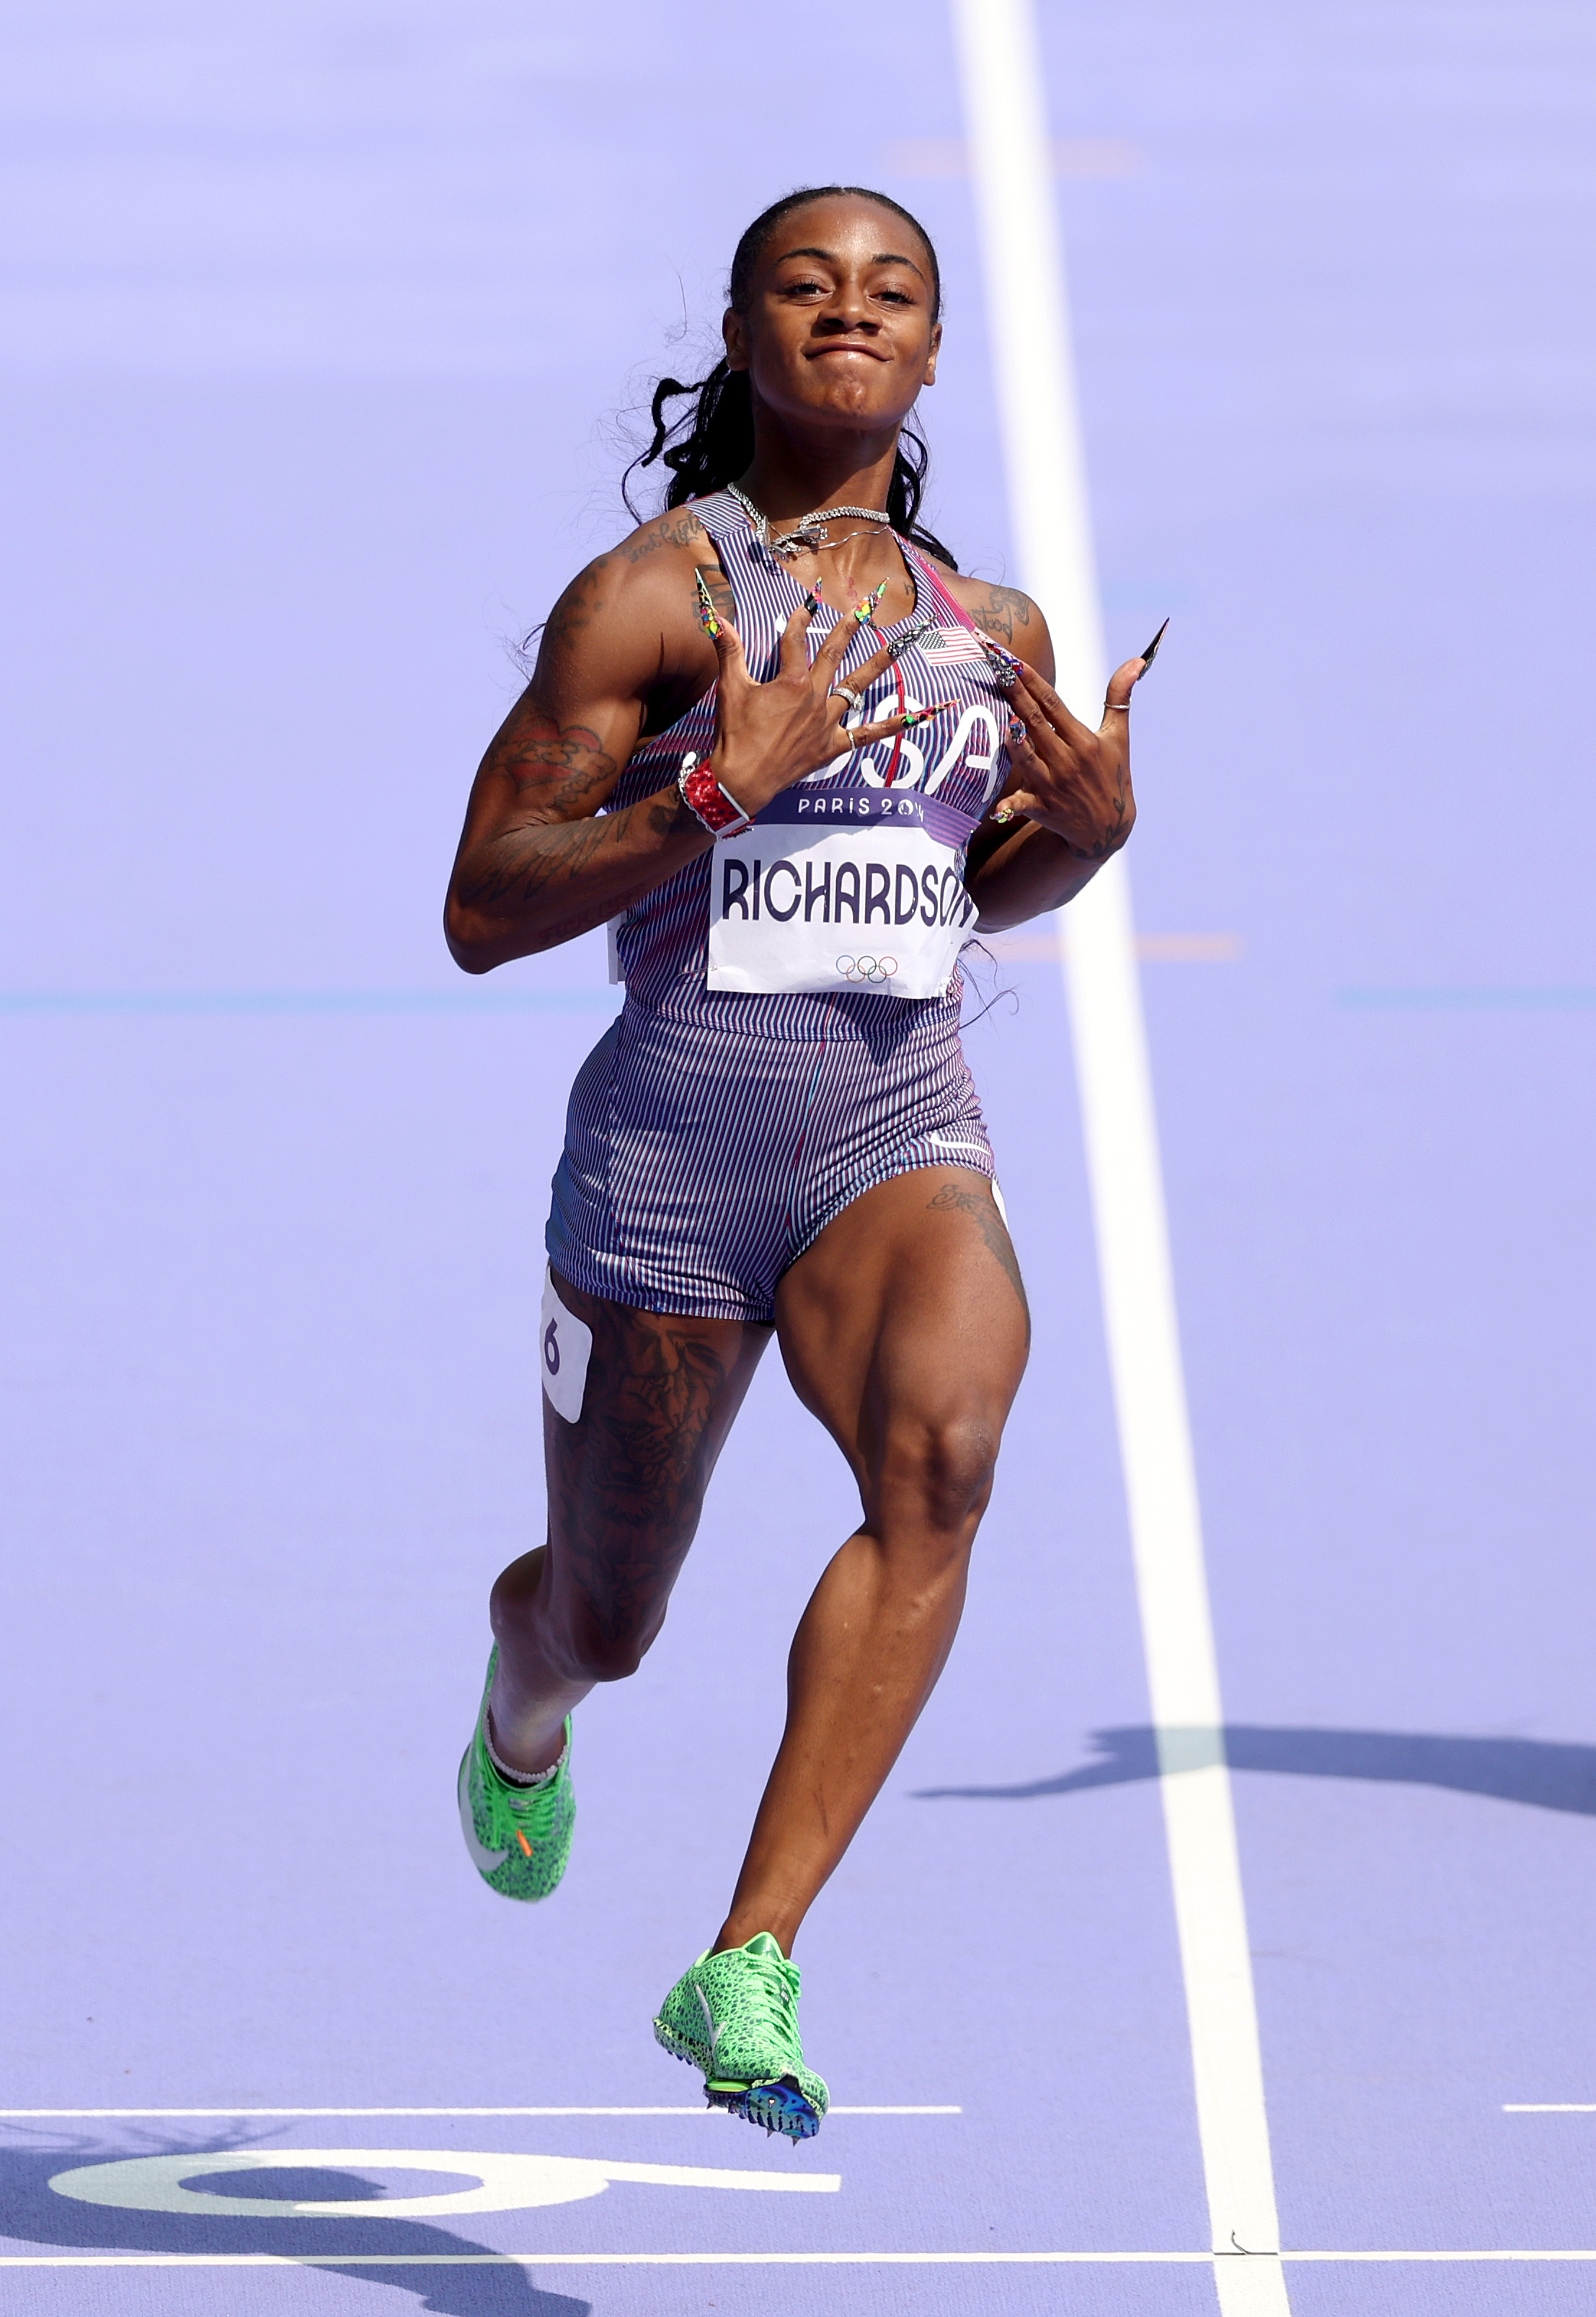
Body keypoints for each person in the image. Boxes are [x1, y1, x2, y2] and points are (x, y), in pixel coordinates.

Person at [444, 184, 1147, 2143]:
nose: (852, 311)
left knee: (943, 1459)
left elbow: (958, 900)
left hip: (895, 1138)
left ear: (931, 354)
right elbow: (483, 906)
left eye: (893, 290)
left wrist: (1085, 835)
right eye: (807, 285)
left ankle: (748, 1953)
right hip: (667, 1175)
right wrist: (703, 786)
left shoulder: (985, 635)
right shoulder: (649, 604)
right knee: (610, 1618)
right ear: (744, 335)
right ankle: (524, 1709)